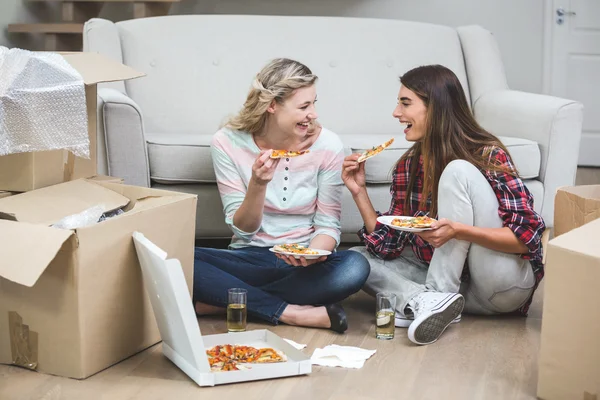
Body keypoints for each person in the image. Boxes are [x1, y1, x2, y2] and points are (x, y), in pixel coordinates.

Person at [343, 65, 545, 345]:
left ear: (435, 107)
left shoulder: (486, 154)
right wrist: (359, 191)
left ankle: (428, 299)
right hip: (462, 295)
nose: (396, 113)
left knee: (457, 170)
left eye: (405, 103)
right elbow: (387, 246)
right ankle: (426, 303)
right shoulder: (409, 166)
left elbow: (529, 239)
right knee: (355, 260)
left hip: (501, 286)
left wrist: (459, 231)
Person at [193, 58, 370, 333]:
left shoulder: (328, 145)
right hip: (249, 258)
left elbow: (328, 225)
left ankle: (226, 301)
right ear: (272, 105)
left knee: (355, 267)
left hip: (302, 266)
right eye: (303, 106)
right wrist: (258, 184)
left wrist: (316, 253)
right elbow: (243, 229)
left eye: (314, 103)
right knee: (178, 257)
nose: (313, 114)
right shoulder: (227, 142)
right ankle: (290, 312)